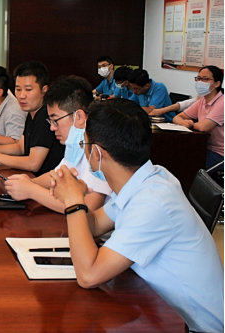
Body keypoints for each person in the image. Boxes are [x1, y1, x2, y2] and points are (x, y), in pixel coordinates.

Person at [50, 99, 224, 333]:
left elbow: (89, 276)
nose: (83, 149)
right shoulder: (146, 178)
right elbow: (96, 224)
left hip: (192, 327)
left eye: (85, 143)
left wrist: (73, 202)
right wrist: (74, 196)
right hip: (157, 307)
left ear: (97, 153)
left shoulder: (153, 201)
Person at [4, 76, 112, 213]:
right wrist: (28, 183)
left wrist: (31, 190)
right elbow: (56, 175)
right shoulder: (74, 143)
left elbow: (88, 207)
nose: (52, 128)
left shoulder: (99, 148)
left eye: (55, 120)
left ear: (79, 117)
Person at [0, 61, 64, 176]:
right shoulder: (31, 112)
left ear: (44, 90)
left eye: (28, 90)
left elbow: (33, 164)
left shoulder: (45, 116)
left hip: (44, 181)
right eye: (18, 89)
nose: (22, 96)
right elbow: (20, 147)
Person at [173, 65, 224, 172]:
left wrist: (191, 124)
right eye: (199, 78)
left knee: (193, 171)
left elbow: (204, 127)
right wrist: (184, 122)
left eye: (206, 79)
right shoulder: (203, 100)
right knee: (177, 161)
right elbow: (177, 117)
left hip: (220, 153)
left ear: (217, 83)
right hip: (203, 146)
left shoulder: (222, 102)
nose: (201, 82)